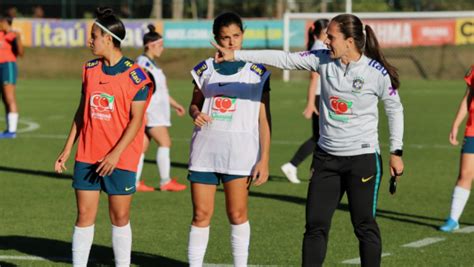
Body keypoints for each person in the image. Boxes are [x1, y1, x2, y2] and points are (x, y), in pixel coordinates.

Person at [213, 13, 404, 267]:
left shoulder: (375, 72)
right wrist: (236, 55)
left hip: (363, 160)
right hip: (326, 160)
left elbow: (394, 109)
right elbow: (284, 59)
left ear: (349, 41)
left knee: (364, 226)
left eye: (331, 37)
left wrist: (396, 151)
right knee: (315, 226)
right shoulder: (321, 60)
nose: (326, 41)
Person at [54, 7, 152, 266]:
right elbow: (81, 110)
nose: (90, 41)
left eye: (94, 36)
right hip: (87, 154)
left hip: (121, 158)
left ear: (108, 38)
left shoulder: (136, 76)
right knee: (84, 215)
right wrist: (67, 148)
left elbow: (137, 120)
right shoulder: (89, 69)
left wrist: (115, 154)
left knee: (119, 217)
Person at [187, 12, 272, 267]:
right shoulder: (204, 69)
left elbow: (264, 120)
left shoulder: (257, 72)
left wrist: (264, 159)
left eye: (236, 36)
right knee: (201, 214)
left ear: (243, 35)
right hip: (205, 151)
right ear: (216, 39)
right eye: (225, 38)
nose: (231, 42)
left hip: (240, 153)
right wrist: (195, 113)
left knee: (237, 214)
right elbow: (194, 104)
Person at [134, 24, 187, 192]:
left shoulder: (151, 64)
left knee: (142, 147)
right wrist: (142, 112)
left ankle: (133, 182)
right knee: (165, 142)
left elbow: (160, 91)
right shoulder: (142, 63)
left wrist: (175, 104)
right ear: (150, 45)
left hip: (155, 111)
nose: (162, 49)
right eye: (160, 45)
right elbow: (138, 88)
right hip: (151, 112)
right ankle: (165, 181)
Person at [281, 18, 329, 184]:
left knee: (320, 137)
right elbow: (314, 78)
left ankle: (305, 169)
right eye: (326, 32)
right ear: (319, 33)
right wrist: (310, 103)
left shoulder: (319, 46)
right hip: (319, 97)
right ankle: (295, 166)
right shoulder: (319, 48)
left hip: (320, 97)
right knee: (320, 137)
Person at [439, 65, 474, 232]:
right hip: (472, 130)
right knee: (465, 174)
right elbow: (468, 98)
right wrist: (456, 125)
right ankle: (453, 219)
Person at [0, 13, 24, 138]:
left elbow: (21, 53)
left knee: (9, 98)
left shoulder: (12, 35)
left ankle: (12, 132)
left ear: (5, 22)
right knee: (4, 99)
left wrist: (18, 39)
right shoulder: (1, 35)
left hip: (7, 66)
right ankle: (8, 129)